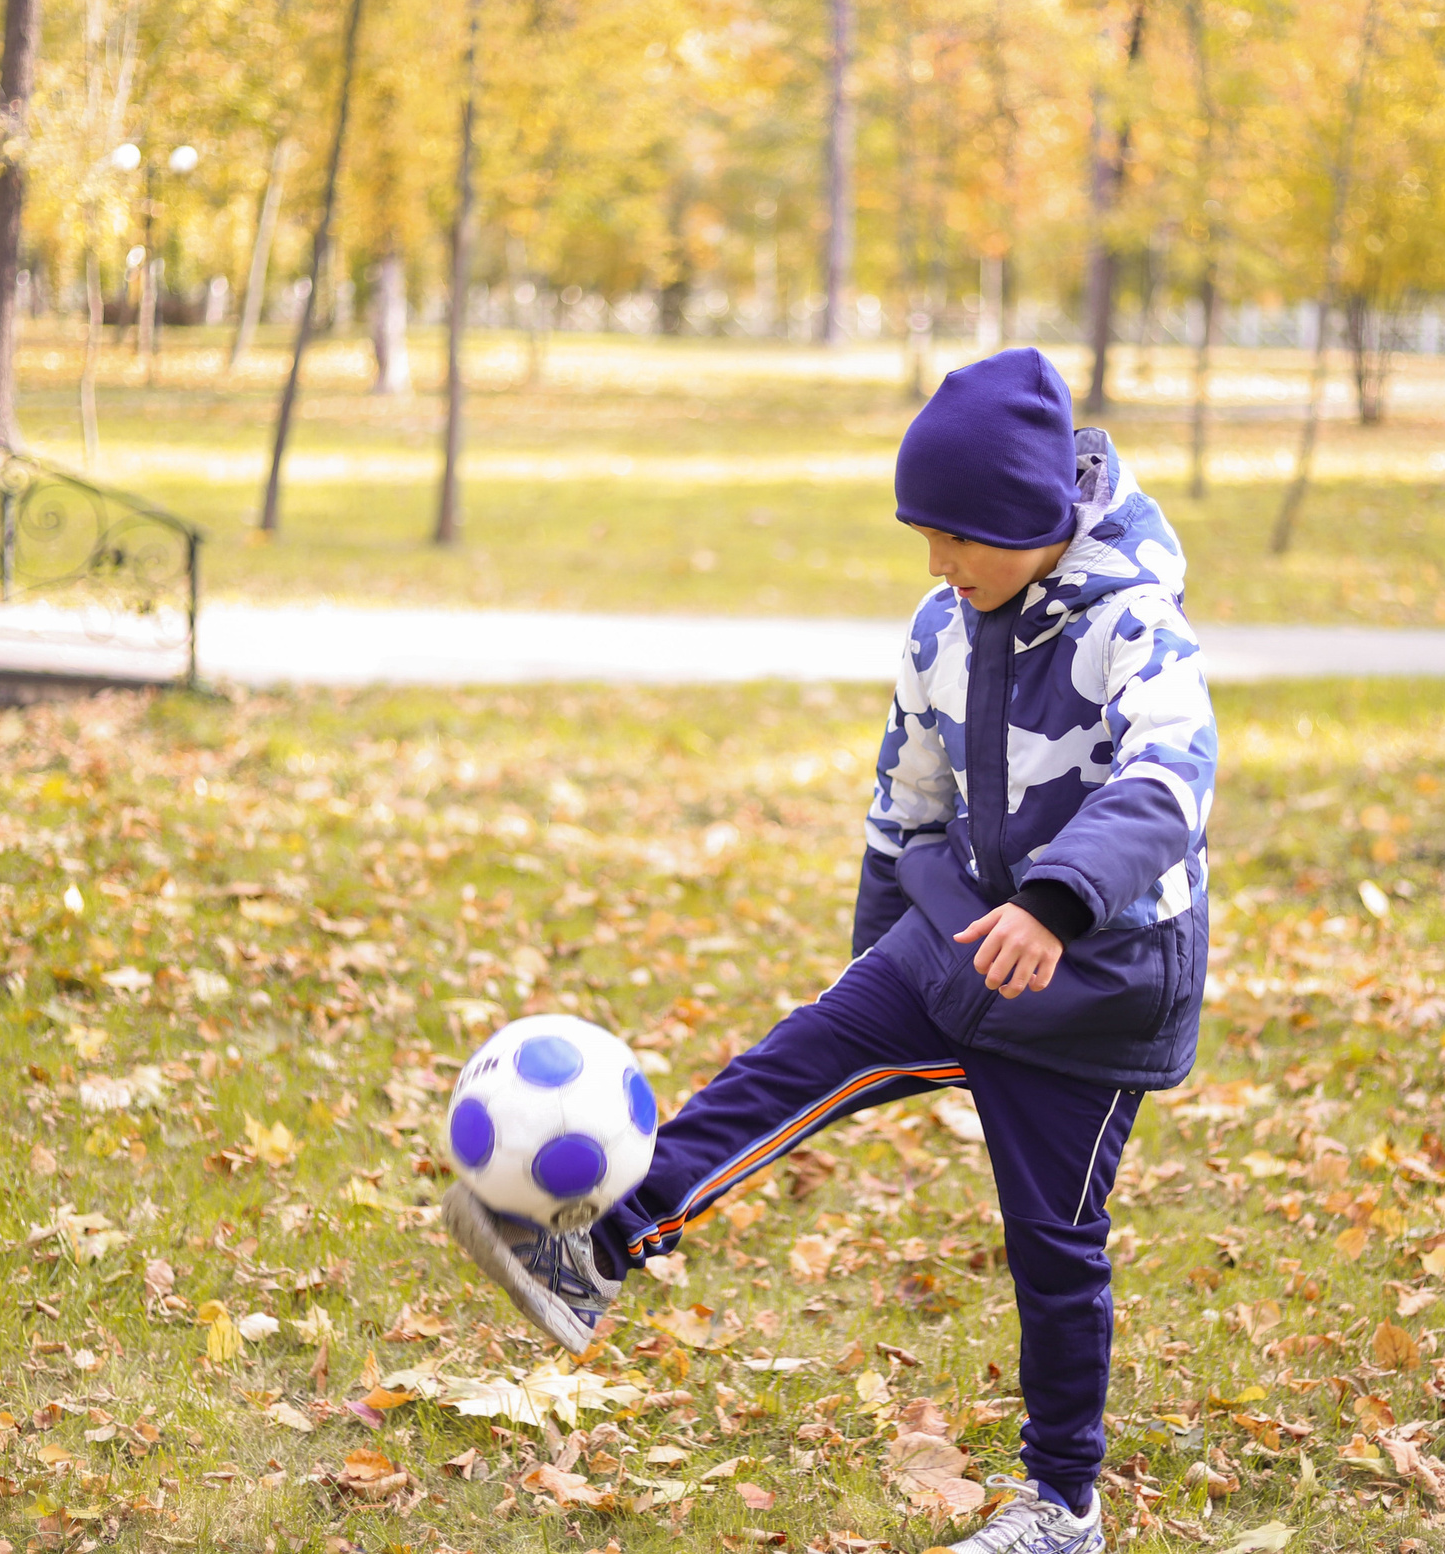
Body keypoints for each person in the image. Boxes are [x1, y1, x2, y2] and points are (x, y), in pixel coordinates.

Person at [444, 348, 1217, 1554]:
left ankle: (1063, 1505)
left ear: (1031, 520)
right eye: (922, 536)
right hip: (956, 940)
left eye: (957, 539)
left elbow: (1170, 777)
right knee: (788, 1064)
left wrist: (1059, 905)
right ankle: (590, 1253)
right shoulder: (943, 625)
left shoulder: (1134, 627)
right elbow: (905, 796)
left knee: (1051, 1244)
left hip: (1092, 985)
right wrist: (878, 959)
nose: (936, 565)